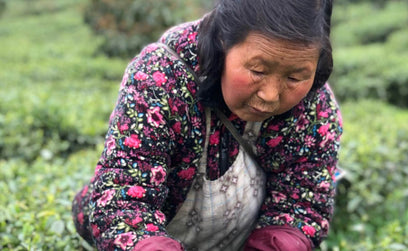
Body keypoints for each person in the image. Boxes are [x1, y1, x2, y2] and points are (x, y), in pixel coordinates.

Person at [72, 0, 342, 250]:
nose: (270, 95)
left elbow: (303, 203)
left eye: (295, 77)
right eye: (258, 71)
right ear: (223, 41)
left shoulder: (314, 104)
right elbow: (123, 201)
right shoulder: (161, 76)